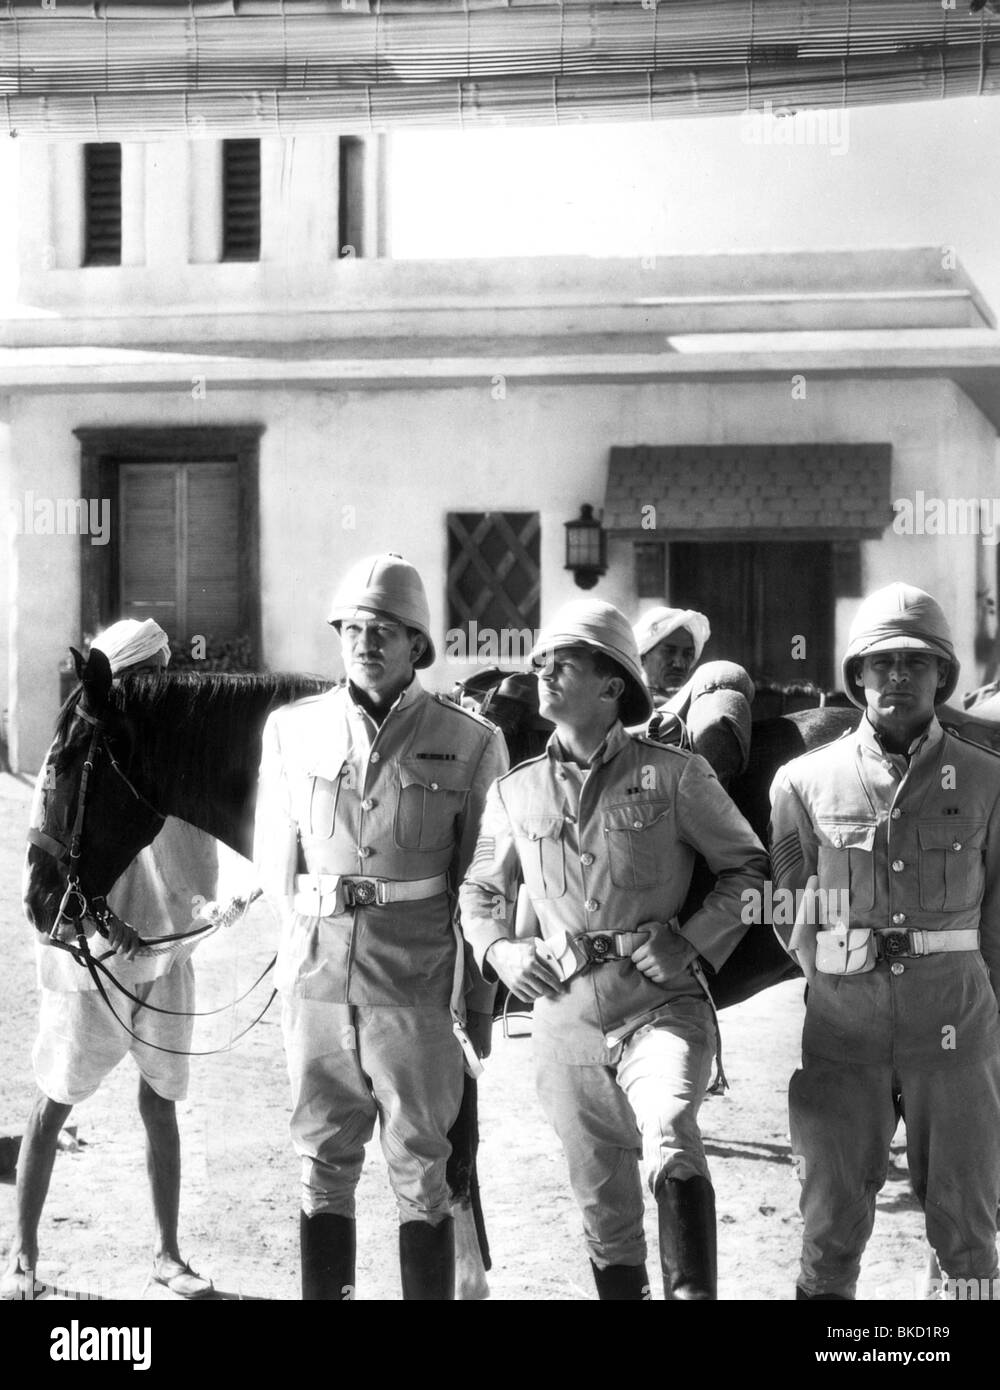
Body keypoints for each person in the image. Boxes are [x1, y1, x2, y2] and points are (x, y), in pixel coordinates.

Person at [458, 599, 767, 1299]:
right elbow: (478, 892)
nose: (543, 673)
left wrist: (691, 943)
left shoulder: (677, 775)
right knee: (604, 1211)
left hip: (661, 1007)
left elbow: (750, 871)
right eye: (541, 661)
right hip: (563, 1023)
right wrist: (502, 953)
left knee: (671, 1130)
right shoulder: (515, 792)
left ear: (611, 684)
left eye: (561, 662)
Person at [253, 553, 508, 1301]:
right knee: (322, 1165)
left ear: (417, 644)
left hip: (418, 986)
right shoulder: (291, 732)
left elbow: (483, 884)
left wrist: (479, 1005)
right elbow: (278, 868)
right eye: (354, 629)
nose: (366, 642)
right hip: (320, 984)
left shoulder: (470, 741)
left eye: (385, 630)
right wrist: (299, 957)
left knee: (423, 1171)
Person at [768, 582, 1000, 1301]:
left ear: (941, 676)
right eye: (881, 662)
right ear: (858, 676)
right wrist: (827, 964)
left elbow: (998, 910)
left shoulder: (990, 779)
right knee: (830, 1216)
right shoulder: (802, 781)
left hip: (954, 1020)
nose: (898, 675)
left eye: (916, 661)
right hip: (844, 1026)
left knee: (967, 1222)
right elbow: (785, 903)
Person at [3, 618, 221, 1301]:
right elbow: (50, 869)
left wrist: (200, 909)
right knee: (54, 1102)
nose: (162, 685)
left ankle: (167, 1255)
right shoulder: (73, 750)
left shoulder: (178, 753)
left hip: (161, 958)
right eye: (150, 673)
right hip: (88, 966)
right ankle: (22, 1258)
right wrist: (104, 919)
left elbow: (198, 852)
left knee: (160, 1105)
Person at [633, 607, 755, 785]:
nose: (679, 663)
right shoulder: (624, 700)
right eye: (669, 651)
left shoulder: (703, 703)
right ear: (643, 655)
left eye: (688, 654)